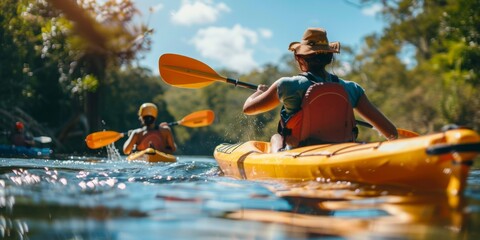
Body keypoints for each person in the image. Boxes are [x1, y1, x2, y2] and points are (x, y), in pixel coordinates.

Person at [243, 27, 398, 152]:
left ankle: (277, 159)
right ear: (330, 58)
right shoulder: (352, 88)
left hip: (299, 153)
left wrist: (259, 92)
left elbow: (248, 109)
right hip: (340, 152)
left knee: (276, 137)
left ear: (299, 58)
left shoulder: (287, 85)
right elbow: (391, 133)